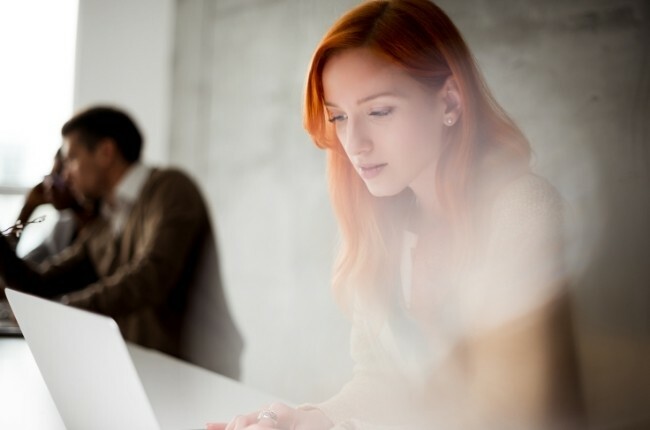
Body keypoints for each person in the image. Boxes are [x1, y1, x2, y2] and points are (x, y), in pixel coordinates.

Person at [209, 0, 584, 429]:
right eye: (340, 117)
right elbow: (385, 380)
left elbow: (510, 413)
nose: (355, 142)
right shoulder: (384, 224)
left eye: (379, 111)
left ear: (450, 101)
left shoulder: (523, 211)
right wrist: (312, 419)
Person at [0, 106, 243, 379]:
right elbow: (41, 284)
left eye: (71, 159)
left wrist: (62, 311)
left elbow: (150, 277)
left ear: (105, 152)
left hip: (199, 374)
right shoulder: (104, 221)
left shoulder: (171, 188)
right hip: (146, 372)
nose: (65, 174)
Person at [3, 148, 99, 265]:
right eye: (50, 177)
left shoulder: (104, 226)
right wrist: (27, 209)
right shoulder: (63, 227)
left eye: (58, 177)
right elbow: (22, 272)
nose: (50, 185)